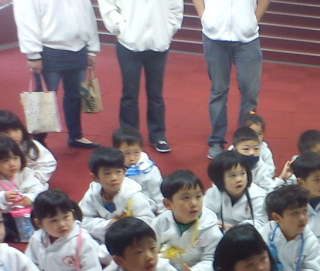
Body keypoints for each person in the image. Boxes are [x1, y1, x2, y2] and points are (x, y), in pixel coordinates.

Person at [98, 0, 184, 154]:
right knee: (129, 94)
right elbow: (107, 4)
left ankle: (158, 136)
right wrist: (120, 26)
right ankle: (129, 137)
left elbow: (176, 7)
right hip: (128, 43)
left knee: (156, 94)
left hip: (159, 43)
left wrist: (168, 29)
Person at [13, 0, 100, 149]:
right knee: (43, 100)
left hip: (79, 48)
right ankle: (38, 143)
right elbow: (26, 18)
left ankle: (75, 136)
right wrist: (33, 54)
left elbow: (89, 15)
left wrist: (92, 48)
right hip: (49, 49)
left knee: (75, 96)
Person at [193, 0, 272, 159]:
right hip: (214, 36)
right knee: (218, 91)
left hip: (247, 39)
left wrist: (254, 20)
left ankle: (245, 141)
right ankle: (216, 141)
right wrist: (204, 16)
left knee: (250, 93)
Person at [154, 170, 222, 271]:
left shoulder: (210, 228)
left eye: (198, 196)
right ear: (168, 204)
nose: (194, 203)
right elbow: (152, 249)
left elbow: (212, 260)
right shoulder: (160, 222)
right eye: (186, 198)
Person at [79, 146, 154, 247]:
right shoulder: (92, 194)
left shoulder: (133, 195)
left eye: (118, 172)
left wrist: (124, 226)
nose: (114, 178)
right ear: (95, 177)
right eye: (107, 173)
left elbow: (148, 221)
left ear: (124, 172)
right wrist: (109, 224)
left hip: (131, 240)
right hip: (103, 239)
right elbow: (83, 219)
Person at [204, 151, 267, 231]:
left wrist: (238, 228)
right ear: (219, 178)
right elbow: (204, 214)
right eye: (232, 175)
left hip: (247, 233)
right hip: (219, 230)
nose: (239, 179)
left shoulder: (258, 196)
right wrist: (215, 223)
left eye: (242, 173)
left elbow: (261, 222)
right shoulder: (213, 193)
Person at [0, 136, 45, 242]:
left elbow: (38, 188)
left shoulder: (25, 172)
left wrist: (29, 198)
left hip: (27, 212)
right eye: (5, 160)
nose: (12, 164)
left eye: (15, 158)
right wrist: (4, 197)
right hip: (6, 216)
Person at [113, 126, 165, 214]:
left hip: (145, 206)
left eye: (136, 152)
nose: (132, 158)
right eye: (126, 153)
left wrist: (162, 211)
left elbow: (157, 193)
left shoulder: (148, 170)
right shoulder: (112, 168)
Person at [0, 110, 56, 189]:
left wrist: (38, 177)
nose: (13, 135)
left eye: (16, 130)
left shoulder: (30, 146)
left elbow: (48, 163)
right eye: (6, 132)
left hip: (30, 184)